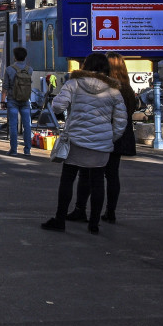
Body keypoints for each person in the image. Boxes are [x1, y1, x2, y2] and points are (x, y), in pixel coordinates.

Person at [41, 53, 126, 234]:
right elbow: (121, 122)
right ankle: (93, 224)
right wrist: (109, 138)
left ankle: (60, 220)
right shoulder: (114, 91)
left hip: (75, 142)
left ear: (85, 65)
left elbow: (57, 107)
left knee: (67, 180)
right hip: (101, 145)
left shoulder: (73, 84)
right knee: (97, 183)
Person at [68, 52, 137, 224]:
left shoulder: (106, 88)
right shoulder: (126, 89)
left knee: (87, 174)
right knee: (112, 175)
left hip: (99, 135)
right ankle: (110, 212)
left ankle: (81, 209)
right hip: (120, 137)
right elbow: (129, 112)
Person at [4, 47, 33, 156]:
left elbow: (5, 87)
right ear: (25, 57)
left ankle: (14, 150)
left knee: (13, 125)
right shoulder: (29, 69)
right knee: (27, 125)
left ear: (14, 57)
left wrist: (3, 101)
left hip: (13, 100)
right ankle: (27, 150)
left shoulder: (9, 69)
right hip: (25, 100)